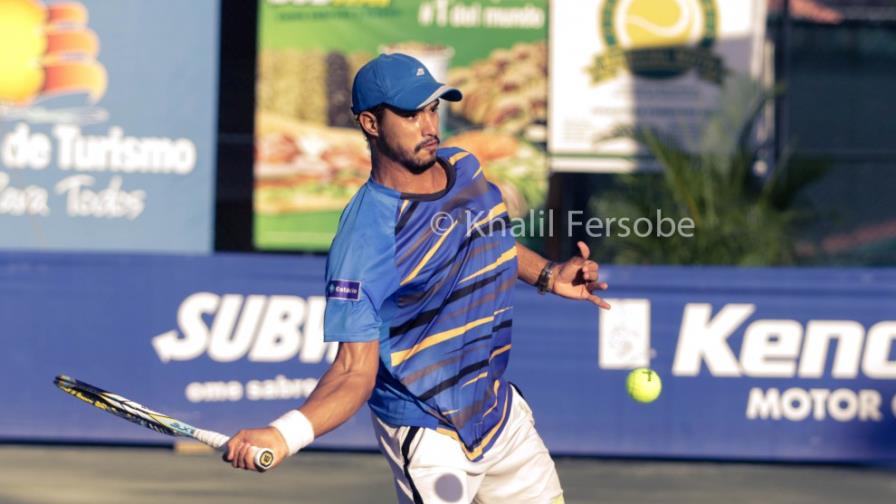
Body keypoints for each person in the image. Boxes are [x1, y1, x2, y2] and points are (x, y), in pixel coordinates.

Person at [225, 53, 610, 504]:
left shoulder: (464, 166)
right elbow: (353, 371)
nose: (429, 125)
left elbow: (488, 240)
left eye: (432, 108)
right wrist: (284, 434)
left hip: (498, 415)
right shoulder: (366, 240)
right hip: (428, 432)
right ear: (370, 123)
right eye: (410, 114)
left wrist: (547, 273)